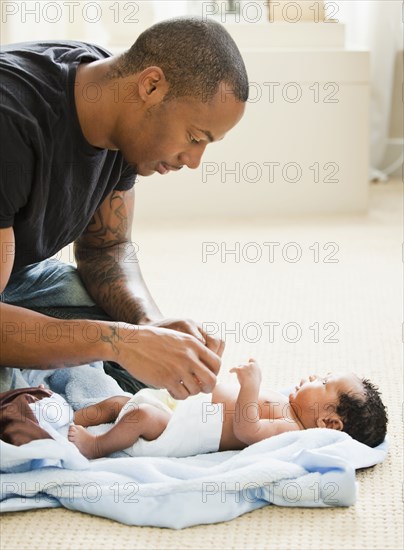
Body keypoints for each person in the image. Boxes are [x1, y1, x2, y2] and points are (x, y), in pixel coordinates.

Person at [0, 18, 249, 394]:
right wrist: (120, 342)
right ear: (151, 85)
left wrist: (146, 326)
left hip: (14, 277)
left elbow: (105, 248)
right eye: (195, 137)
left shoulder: (111, 99)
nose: (194, 161)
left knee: (111, 323)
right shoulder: (11, 121)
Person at [63, 359, 388, 459]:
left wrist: (249, 387)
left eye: (326, 382)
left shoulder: (292, 429)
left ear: (329, 423)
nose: (316, 375)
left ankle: (96, 447)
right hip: (180, 408)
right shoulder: (290, 404)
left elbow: (247, 430)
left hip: (177, 430)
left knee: (140, 417)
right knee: (118, 404)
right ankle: (62, 420)